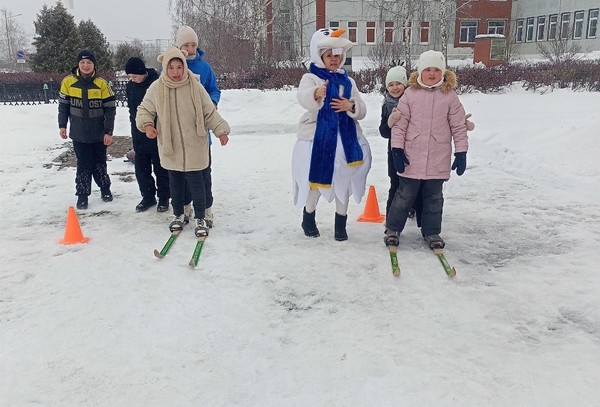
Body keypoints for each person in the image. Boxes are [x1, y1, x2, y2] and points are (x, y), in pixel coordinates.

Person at [136, 47, 230, 237]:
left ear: (185, 66)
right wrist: (147, 125)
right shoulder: (157, 87)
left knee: (197, 184)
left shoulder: (194, 85)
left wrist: (221, 130)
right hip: (171, 146)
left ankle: (201, 216)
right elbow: (145, 109)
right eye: (171, 68)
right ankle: (179, 214)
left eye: (180, 67)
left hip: (195, 144)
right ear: (165, 68)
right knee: (176, 183)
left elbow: (208, 111)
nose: (176, 72)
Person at [292, 28, 371, 241]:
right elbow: (302, 97)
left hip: (345, 139)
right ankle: (308, 216)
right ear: (320, 56)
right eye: (329, 55)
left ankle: (340, 223)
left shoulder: (348, 81)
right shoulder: (311, 77)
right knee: (317, 182)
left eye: (337, 55)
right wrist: (316, 94)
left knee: (344, 181)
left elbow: (361, 109)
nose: (334, 60)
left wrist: (350, 105)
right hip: (319, 138)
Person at [385, 50, 468, 250]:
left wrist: (461, 151)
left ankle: (431, 232)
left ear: (443, 73)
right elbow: (399, 126)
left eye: (436, 70)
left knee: (434, 198)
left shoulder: (450, 96)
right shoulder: (410, 95)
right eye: (427, 70)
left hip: (438, 158)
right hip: (411, 157)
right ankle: (392, 229)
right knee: (404, 196)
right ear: (420, 72)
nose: (432, 74)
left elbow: (458, 125)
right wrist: (397, 149)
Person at [175, 25, 224, 228]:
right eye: (185, 45)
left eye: (193, 44)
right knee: (182, 173)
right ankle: (185, 206)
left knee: (203, 172)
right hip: (179, 130)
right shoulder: (171, 68)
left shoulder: (204, 68)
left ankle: (206, 209)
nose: (190, 48)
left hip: (201, 129)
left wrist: (211, 103)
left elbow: (214, 89)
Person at [58, 49, 116, 210]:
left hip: (98, 135)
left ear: (94, 65)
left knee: (100, 164)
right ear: (78, 64)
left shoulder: (102, 84)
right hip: (79, 134)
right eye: (82, 62)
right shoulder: (68, 82)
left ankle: (105, 189)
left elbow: (110, 110)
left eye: (89, 62)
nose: (85, 65)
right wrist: (62, 125)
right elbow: (63, 107)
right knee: (83, 165)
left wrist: (108, 132)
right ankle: (82, 195)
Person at [125, 57, 170, 213]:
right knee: (141, 171)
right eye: (130, 77)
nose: (133, 79)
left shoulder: (156, 83)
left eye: (134, 76)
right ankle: (148, 196)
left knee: (161, 169)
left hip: (157, 134)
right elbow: (132, 113)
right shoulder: (130, 87)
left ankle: (164, 198)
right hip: (139, 134)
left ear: (141, 72)